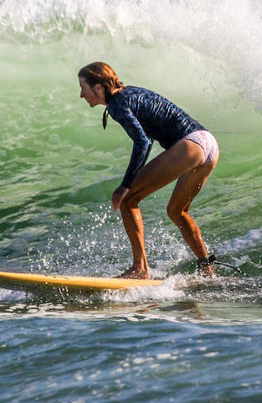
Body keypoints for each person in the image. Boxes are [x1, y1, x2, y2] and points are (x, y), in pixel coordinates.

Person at [77, 62, 220, 278]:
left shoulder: (116, 104)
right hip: (208, 143)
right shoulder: (129, 93)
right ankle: (207, 269)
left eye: (83, 88)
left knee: (128, 199)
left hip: (190, 144)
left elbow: (142, 142)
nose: (81, 95)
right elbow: (149, 137)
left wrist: (126, 185)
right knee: (177, 211)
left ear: (98, 88)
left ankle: (140, 269)